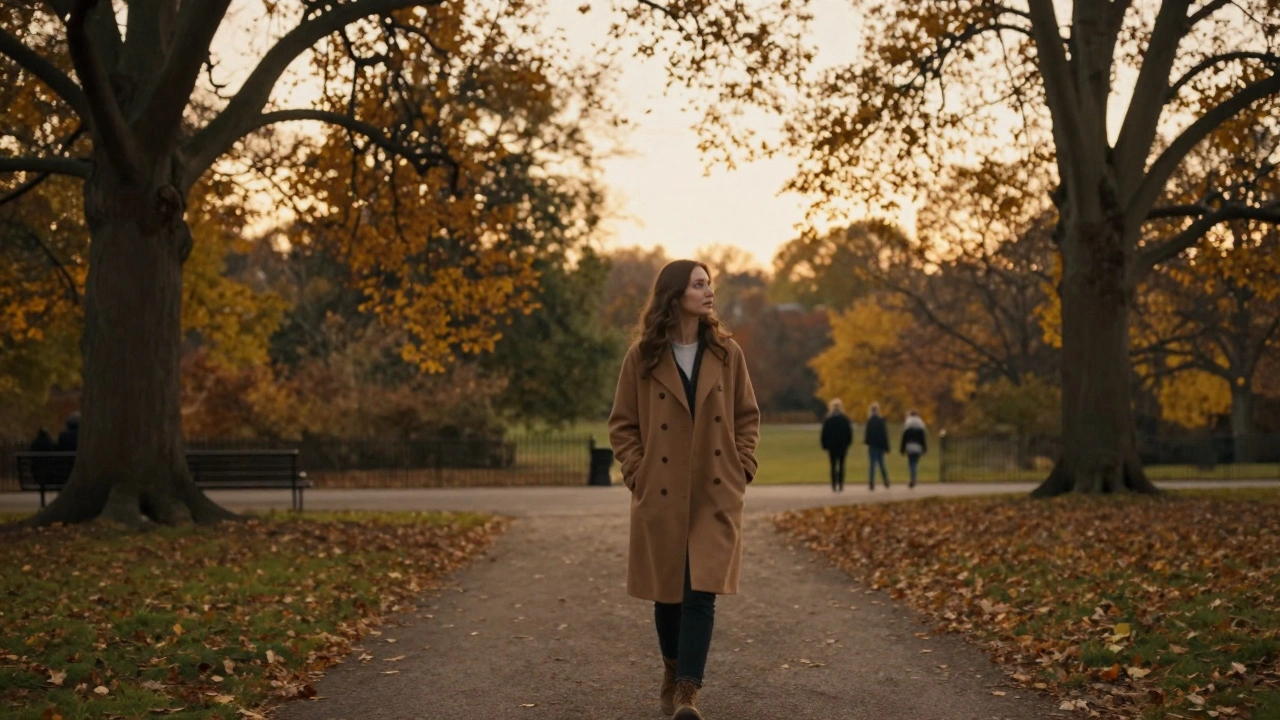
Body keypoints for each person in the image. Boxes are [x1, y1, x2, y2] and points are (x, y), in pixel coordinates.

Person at [609, 259, 761, 720]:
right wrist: (639, 471)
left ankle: (688, 693)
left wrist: (743, 465)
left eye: (709, 283)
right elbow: (623, 424)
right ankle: (673, 670)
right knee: (668, 592)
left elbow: (746, 416)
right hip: (661, 490)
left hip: (714, 488)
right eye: (699, 284)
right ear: (675, 295)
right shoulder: (643, 356)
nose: (709, 291)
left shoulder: (727, 352)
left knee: (701, 591)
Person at [820, 399, 853, 492]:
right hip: (842, 446)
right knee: (842, 465)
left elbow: (824, 434)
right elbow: (849, 433)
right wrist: (848, 443)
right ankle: (841, 484)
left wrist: (824, 444)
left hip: (832, 446)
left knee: (833, 465)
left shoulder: (828, 420)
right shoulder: (845, 419)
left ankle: (834, 484)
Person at [900, 410, 928, 488]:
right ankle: (914, 478)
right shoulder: (920, 427)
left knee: (911, 463)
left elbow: (904, 439)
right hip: (918, 447)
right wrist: (924, 448)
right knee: (915, 463)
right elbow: (923, 440)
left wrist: (902, 449)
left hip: (909, 446)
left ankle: (912, 479)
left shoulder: (908, 426)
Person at [864, 402, 890, 490]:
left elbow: (867, 434)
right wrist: (886, 446)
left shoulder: (870, 421)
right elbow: (884, 434)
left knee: (872, 465)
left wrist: (867, 442)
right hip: (880, 445)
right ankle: (886, 481)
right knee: (882, 464)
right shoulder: (881, 420)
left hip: (872, 445)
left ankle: (871, 483)